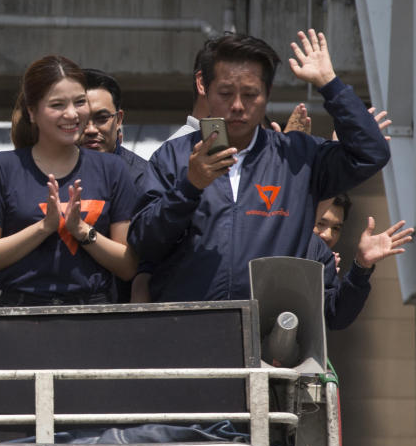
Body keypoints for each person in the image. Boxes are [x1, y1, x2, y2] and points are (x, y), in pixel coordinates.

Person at [128, 30, 390, 302]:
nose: (238, 106)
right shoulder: (174, 156)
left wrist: (330, 85)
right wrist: (189, 187)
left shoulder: (299, 156)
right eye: (226, 93)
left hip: (270, 331)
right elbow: (143, 243)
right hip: (191, 328)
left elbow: (371, 153)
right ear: (204, 87)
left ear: (268, 93)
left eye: (251, 94)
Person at [0, 55, 138, 306]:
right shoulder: (2, 168)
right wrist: (43, 228)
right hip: (20, 314)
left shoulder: (112, 169)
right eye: (57, 105)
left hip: (93, 315)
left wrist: (81, 231)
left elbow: (128, 265)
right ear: (32, 112)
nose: (72, 114)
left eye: (80, 102)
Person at [310, 194, 414, 329]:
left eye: (336, 228)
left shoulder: (326, 266)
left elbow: (336, 317)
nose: (328, 235)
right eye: (320, 223)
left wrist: (361, 266)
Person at [78, 68, 148, 193]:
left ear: (119, 120)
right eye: (81, 119)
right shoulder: (50, 173)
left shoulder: (143, 178)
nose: (91, 129)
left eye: (102, 118)